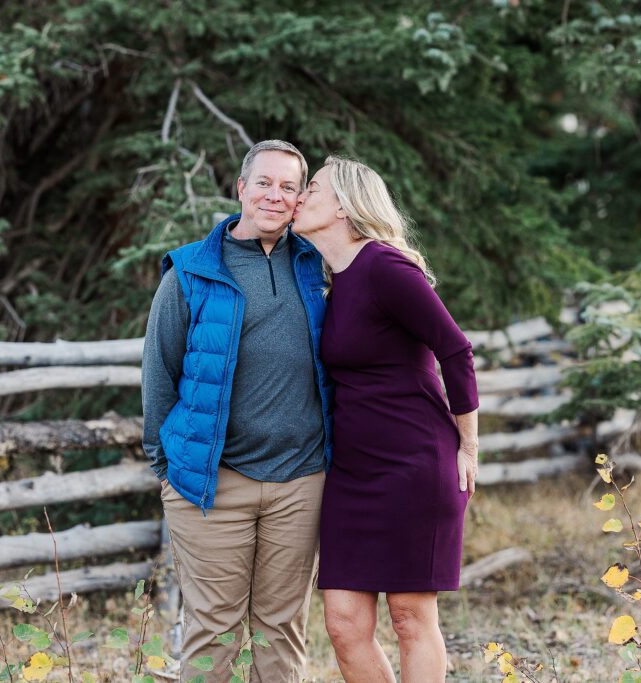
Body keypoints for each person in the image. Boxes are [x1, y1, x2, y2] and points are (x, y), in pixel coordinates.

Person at [141, 140, 333, 682]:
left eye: (289, 186)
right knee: (213, 630)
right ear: (241, 189)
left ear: (300, 199)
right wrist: (169, 469)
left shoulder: (319, 271)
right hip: (210, 484)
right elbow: (159, 376)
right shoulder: (190, 274)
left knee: (282, 630)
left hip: (300, 482)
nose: (276, 195)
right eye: (265, 183)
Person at [291, 155, 480, 682]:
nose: (300, 196)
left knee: (410, 617)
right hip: (353, 475)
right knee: (344, 623)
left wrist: (468, 449)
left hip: (415, 467)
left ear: (346, 207)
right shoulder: (333, 279)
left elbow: (457, 351)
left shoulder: (385, 268)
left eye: (313, 188)